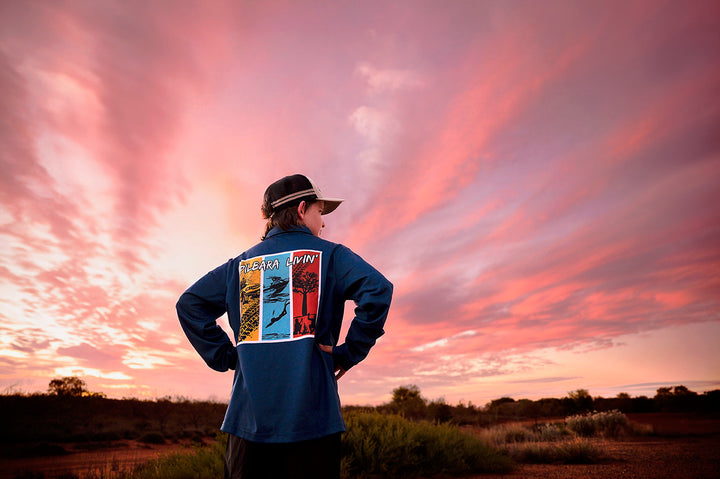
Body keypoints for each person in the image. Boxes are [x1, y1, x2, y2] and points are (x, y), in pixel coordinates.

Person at [176, 174, 393, 479]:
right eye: (320, 212)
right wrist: (348, 353)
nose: (324, 223)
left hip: (247, 427)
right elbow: (378, 290)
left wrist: (229, 357)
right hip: (313, 424)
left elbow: (190, 304)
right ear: (302, 209)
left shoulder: (238, 266)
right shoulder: (331, 255)